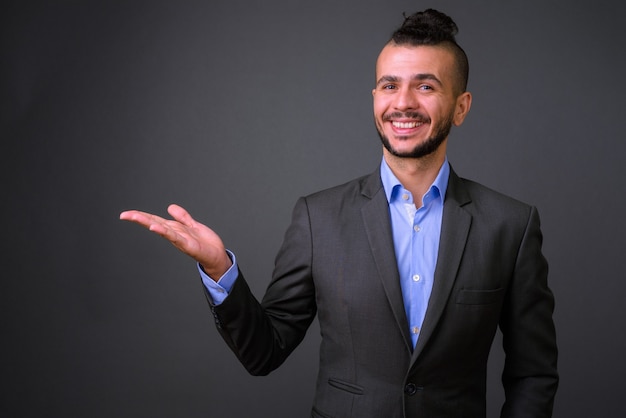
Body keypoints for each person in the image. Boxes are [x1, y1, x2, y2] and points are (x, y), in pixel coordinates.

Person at [120, 8, 558, 418]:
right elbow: (264, 352)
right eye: (389, 85)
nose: (402, 102)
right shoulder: (318, 218)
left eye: (425, 86)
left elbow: (532, 374)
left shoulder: (510, 225)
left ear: (461, 106)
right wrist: (218, 268)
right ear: (374, 98)